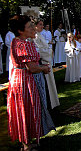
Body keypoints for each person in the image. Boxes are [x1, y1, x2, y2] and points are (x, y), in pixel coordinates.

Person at [7, 15, 53, 151]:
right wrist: (43, 68)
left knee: (28, 109)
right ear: (21, 31)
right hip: (23, 80)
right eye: (29, 26)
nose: (33, 28)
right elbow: (31, 68)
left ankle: (27, 140)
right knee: (24, 110)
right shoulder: (22, 44)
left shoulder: (21, 41)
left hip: (22, 78)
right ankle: (26, 145)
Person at [33, 19, 60, 109]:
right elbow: (39, 51)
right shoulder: (35, 36)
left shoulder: (39, 35)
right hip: (43, 62)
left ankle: (52, 103)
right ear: (35, 26)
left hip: (46, 61)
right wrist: (49, 51)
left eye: (43, 24)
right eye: (40, 24)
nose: (42, 26)